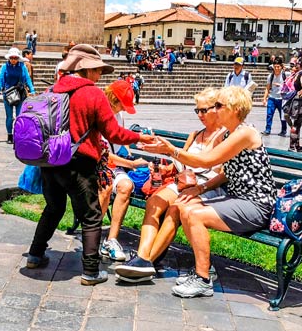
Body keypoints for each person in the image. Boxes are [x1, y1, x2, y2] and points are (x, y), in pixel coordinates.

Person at [119, 87, 275, 298]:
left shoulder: (245, 133)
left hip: (255, 204)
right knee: (183, 206)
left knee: (192, 214)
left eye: (219, 106)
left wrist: (170, 150)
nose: (214, 110)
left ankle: (202, 279)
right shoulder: (232, 133)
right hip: (236, 198)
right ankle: (199, 268)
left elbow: (207, 161)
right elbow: (227, 172)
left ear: (235, 109)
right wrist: (199, 188)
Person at [26, 44, 154, 285]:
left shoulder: (54, 89)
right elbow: (113, 133)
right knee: (92, 215)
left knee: (53, 208)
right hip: (78, 163)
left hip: (50, 161)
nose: (100, 75)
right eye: (97, 69)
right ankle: (91, 271)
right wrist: (140, 137)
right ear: (85, 69)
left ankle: (35, 254)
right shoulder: (93, 94)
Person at [116, 89, 226, 281]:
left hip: (208, 186)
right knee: (154, 202)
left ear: (216, 109)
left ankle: (146, 261)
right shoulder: (195, 134)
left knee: (176, 208)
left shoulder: (224, 137)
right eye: (197, 111)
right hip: (186, 182)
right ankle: (143, 256)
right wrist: (165, 160)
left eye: (203, 110)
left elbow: (222, 173)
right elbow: (182, 163)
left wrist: (199, 186)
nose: (199, 115)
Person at [97, 80, 149, 262]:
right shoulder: (98, 116)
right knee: (104, 188)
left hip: (115, 167)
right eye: (122, 104)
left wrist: (130, 152)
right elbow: (103, 155)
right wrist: (133, 165)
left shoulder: (119, 117)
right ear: (112, 99)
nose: (124, 109)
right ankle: (93, 236)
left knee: (126, 186)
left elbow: (120, 143)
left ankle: (111, 239)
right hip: (98, 166)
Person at [0, 47, 35, 143]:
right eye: (11, 58)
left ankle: (18, 134)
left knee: (19, 116)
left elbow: (27, 79)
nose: (13, 60)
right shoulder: (4, 67)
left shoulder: (22, 67)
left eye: (15, 58)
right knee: (9, 117)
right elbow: (0, 80)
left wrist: (32, 90)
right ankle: (9, 135)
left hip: (20, 94)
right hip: (8, 94)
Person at [284, 57, 302, 152]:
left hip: (296, 100)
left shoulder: (297, 73)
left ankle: (296, 145)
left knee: (297, 123)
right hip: (301, 101)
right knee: (297, 124)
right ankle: (292, 146)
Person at [261, 57, 289, 136]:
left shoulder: (285, 75)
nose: (276, 69)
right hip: (272, 97)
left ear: (281, 66)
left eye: (278, 67)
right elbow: (267, 88)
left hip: (282, 98)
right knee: (269, 114)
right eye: (275, 66)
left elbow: (290, 85)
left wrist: (281, 85)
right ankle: (267, 129)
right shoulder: (270, 76)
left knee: (282, 116)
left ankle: (283, 130)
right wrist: (264, 98)